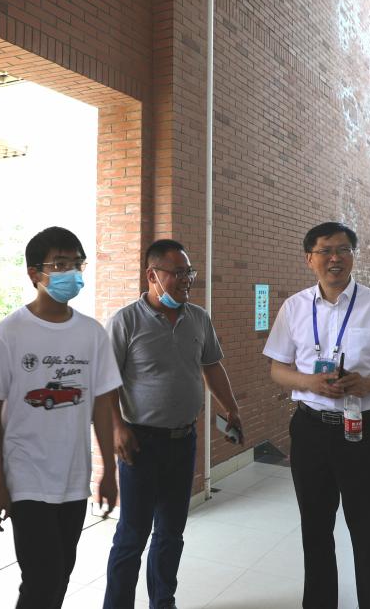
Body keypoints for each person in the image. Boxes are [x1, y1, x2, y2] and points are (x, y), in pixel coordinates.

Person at [263, 221, 370, 609]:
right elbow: (277, 369)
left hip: (362, 431)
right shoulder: (294, 307)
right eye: (326, 250)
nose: (335, 258)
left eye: (344, 250)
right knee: (315, 529)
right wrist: (310, 383)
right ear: (309, 259)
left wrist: (367, 384)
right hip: (310, 429)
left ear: (352, 256)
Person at [0, 226, 122, 609]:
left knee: (60, 575)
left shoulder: (92, 334)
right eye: (60, 264)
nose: (72, 272)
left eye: (77, 264)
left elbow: (103, 406)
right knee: (42, 579)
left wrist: (109, 471)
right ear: (34, 273)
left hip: (73, 478)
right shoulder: (9, 333)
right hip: (26, 478)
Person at [103, 239, 243, 609]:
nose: (187, 280)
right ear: (152, 275)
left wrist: (231, 408)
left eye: (189, 272)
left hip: (183, 441)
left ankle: (163, 602)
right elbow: (105, 382)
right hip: (140, 443)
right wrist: (117, 428)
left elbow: (212, 366)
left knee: (171, 532)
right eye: (178, 272)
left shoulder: (198, 317)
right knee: (132, 535)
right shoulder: (125, 321)